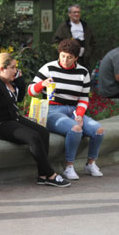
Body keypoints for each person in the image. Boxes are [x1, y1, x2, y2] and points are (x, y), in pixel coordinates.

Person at [0, 52, 70, 187]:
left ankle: (42, 175)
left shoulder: (6, 80)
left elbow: (18, 99)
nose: (16, 70)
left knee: (43, 132)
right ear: (2, 68)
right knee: (33, 137)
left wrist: (19, 81)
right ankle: (50, 174)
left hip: (12, 118)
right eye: (13, 68)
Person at [29, 39, 105, 180]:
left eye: (69, 57)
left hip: (73, 110)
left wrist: (80, 115)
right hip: (52, 110)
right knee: (75, 129)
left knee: (98, 130)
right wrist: (42, 84)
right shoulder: (48, 68)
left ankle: (90, 163)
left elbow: (83, 98)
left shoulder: (83, 72)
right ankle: (69, 166)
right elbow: (30, 91)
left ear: (76, 58)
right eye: (62, 56)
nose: (65, 60)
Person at [53, 4, 96, 69]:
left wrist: (89, 52)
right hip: (69, 59)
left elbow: (92, 42)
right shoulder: (64, 27)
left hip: (84, 59)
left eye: (78, 12)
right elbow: (56, 42)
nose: (77, 14)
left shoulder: (85, 26)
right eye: (74, 12)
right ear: (69, 14)